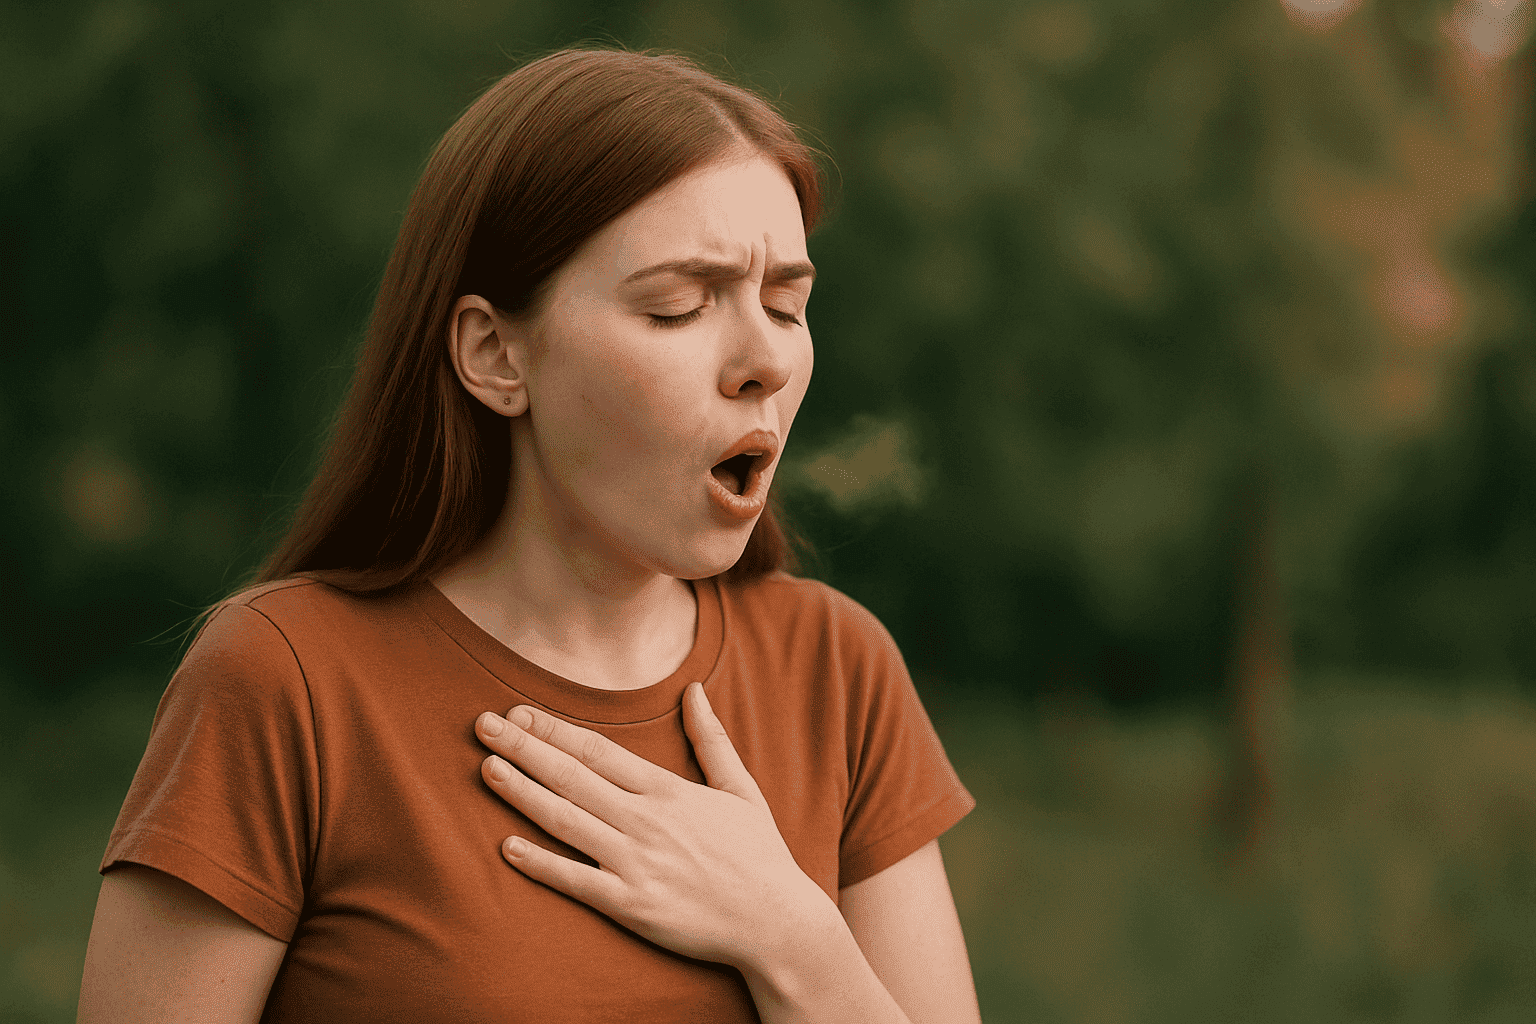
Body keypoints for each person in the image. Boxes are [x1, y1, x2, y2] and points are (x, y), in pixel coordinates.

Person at [77, 46, 981, 1023]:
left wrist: (791, 939)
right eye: (679, 304)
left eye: (786, 304)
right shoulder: (283, 681)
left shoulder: (839, 673)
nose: (764, 357)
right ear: (495, 353)